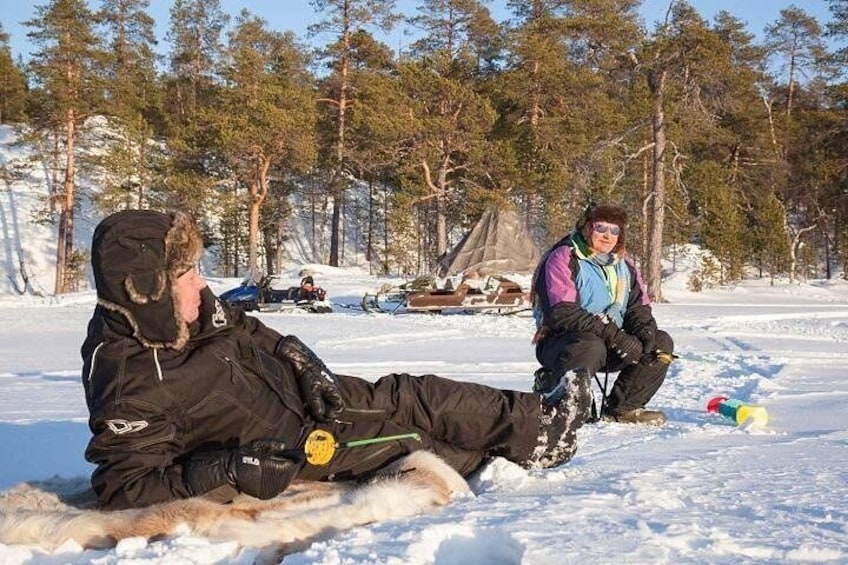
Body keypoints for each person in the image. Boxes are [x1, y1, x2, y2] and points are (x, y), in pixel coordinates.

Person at [81, 209, 590, 511]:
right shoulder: (129, 378)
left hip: (298, 393)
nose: (202, 284)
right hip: (294, 444)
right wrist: (227, 468)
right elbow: (123, 489)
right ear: (145, 290)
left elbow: (243, 326)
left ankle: (542, 425)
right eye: (186, 275)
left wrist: (295, 355)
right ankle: (503, 461)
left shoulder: (186, 312)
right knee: (410, 438)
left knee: (411, 392)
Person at [531, 204, 674, 425]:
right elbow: (563, 313)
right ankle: (563, 398)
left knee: (659, 342)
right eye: (601, 228)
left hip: (610, 343)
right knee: (590, 345)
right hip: (564, 344)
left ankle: (623, 408)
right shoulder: (564, 256)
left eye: (615, 230)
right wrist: (616, 338)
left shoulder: (624, 265)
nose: (608, 236)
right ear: (587, 228)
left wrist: (644, 333)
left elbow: (639, 309)